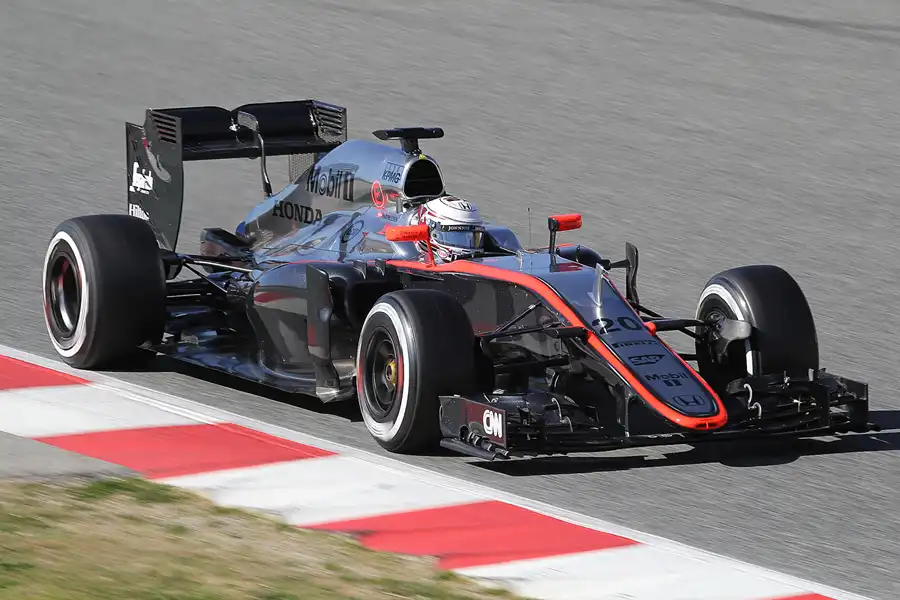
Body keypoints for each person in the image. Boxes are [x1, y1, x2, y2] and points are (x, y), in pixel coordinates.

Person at [410, 195, 486, 262]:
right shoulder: (406, 253)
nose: (467, 243)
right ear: (431, 231)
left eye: (474, 237)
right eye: (457, 237)